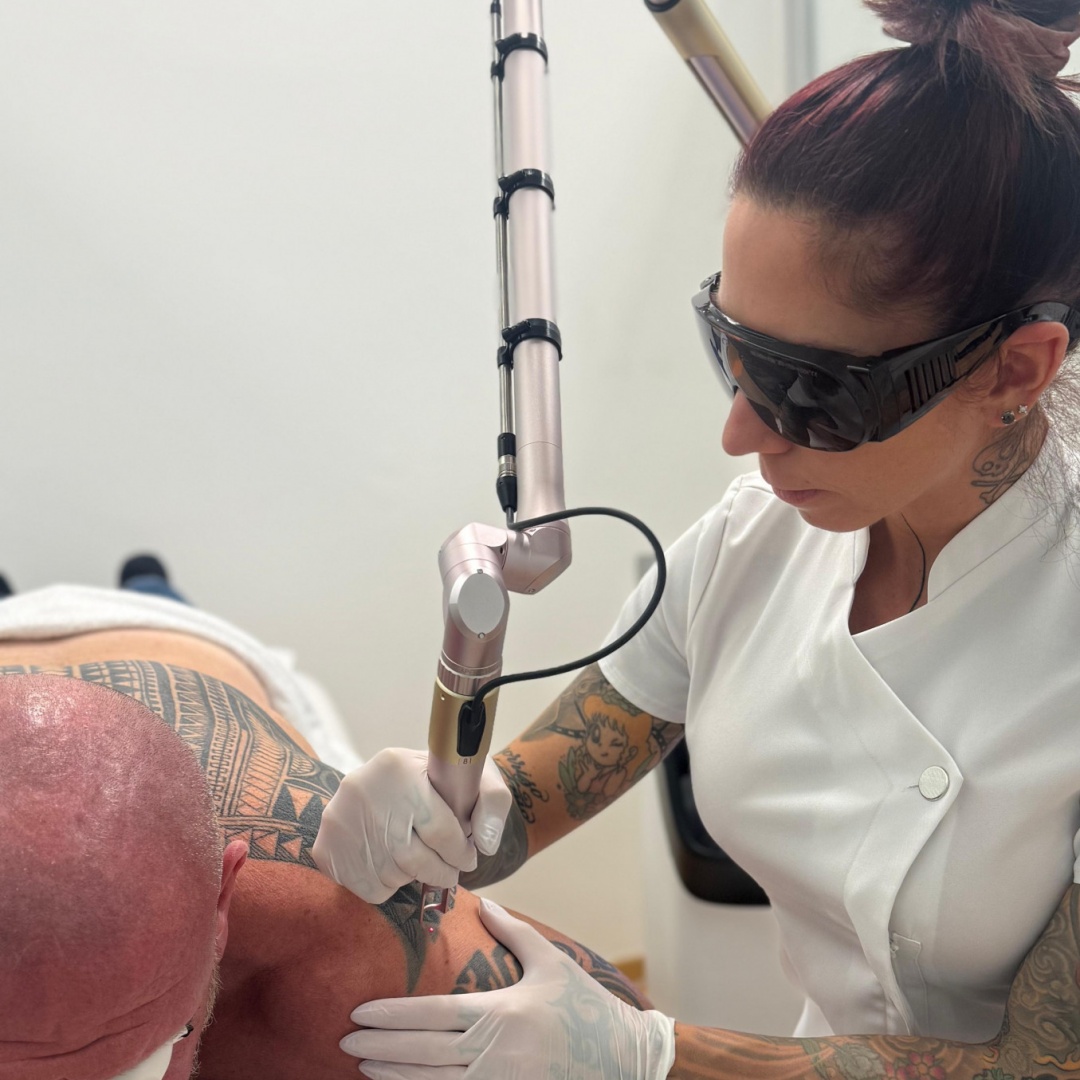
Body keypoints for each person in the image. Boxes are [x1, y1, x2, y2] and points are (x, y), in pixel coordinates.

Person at [311, 1, 1080, 1077]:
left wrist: (650, 1055)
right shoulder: (757, 541)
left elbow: (1046, 1063)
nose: (741, 436)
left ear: (1017, 368)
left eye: (814, 392)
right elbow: (529, 797)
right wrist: (440, 812)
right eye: (736, 354)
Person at [0, 568, 653, 1080]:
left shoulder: (332, 928)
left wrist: (645, 1056)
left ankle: (149, 581)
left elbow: (612, 1021)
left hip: (180, 638)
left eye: (132, 1071)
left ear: (223, 901)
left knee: (154, 590)